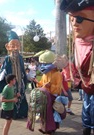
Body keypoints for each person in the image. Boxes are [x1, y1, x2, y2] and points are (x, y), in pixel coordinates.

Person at [60, 1, 94, 134]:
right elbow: (75, 72)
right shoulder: (79, 45)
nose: (74, 23)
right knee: (86, 109)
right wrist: (66, 67)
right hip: (87, 88)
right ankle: (86, 127)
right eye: (72, 19)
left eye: (80, 18)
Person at [0, 31, 28, 119]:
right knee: (12, 96)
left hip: (20, 82)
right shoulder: (8, 59)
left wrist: (25, 78)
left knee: (21, 96)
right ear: (7, 47)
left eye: (17, 45)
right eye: (13, 45)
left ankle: (21, 113)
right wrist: (2, 75)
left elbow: (22, 70)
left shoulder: (20, 58)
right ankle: (13, 114)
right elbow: (4, 70)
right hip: (11, 82)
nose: (15, 48)